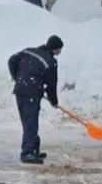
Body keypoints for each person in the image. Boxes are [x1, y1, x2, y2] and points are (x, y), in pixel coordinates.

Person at [7, 35, 62, 164]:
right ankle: (27, 153)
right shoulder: (50, 62)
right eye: (59, 49)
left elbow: (11, 61)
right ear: (54, 49)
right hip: (31, 94)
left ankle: (33, 149)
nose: (60, 53)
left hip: (21, 90)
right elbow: (51, 84)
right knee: (31, 122)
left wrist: (18, 78)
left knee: (28, 121)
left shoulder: (28, 51)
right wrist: (53, 100)